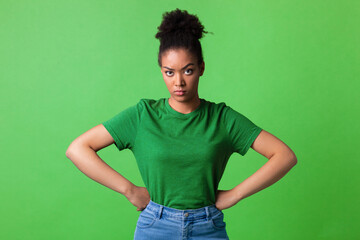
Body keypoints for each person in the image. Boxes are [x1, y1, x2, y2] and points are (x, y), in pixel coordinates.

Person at [65, 8, 297, 240]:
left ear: (201, 68)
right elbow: (77, 149)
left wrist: (236, 194)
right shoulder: (143, 115)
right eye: (169, 72)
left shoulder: (222, 118)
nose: (179, 82)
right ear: (161, 71)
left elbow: (284, 155)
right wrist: (130, 190)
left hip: (208, 227)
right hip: (155, 226)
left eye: (188, 70)